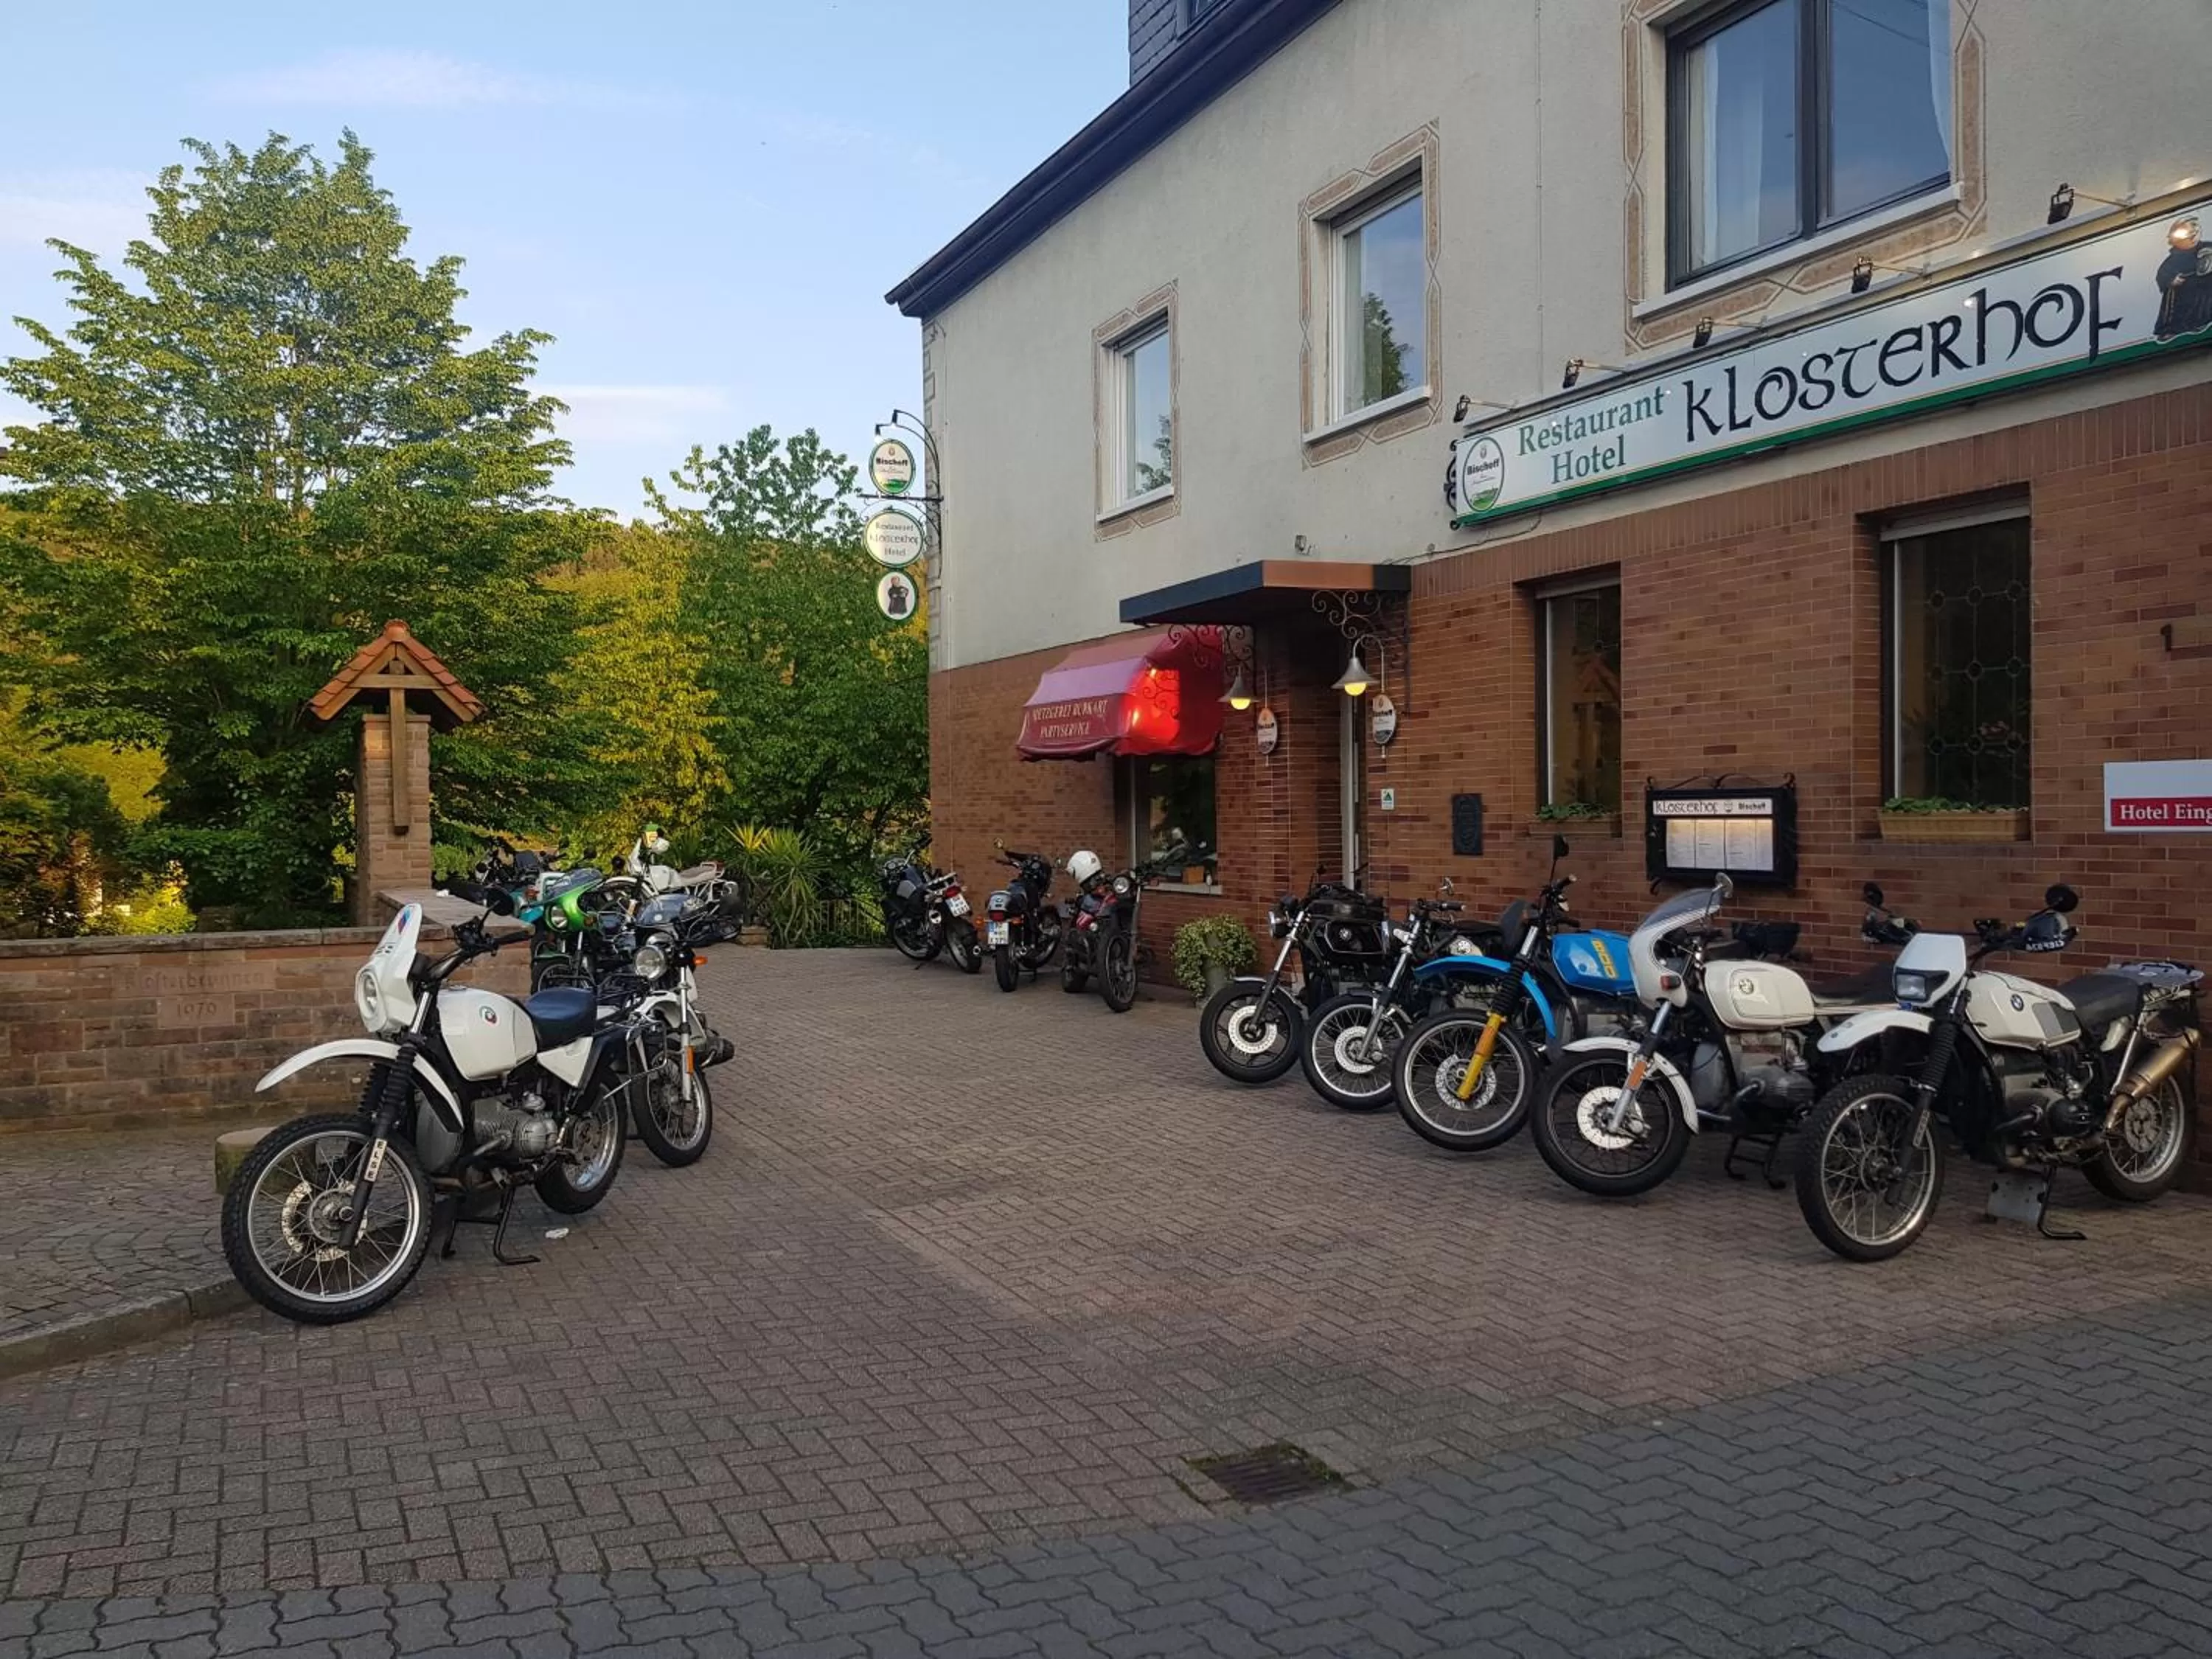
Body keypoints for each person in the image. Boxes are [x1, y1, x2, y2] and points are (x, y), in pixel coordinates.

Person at [2154, 217, 2212, 340]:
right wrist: (2171, 281)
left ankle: (2203, 323)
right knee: (2174, 303)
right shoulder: (2172, 261)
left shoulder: (2207, 248)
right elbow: (2162, 274)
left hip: (2205, 288)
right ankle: (2170, 331)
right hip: (2182, 292)